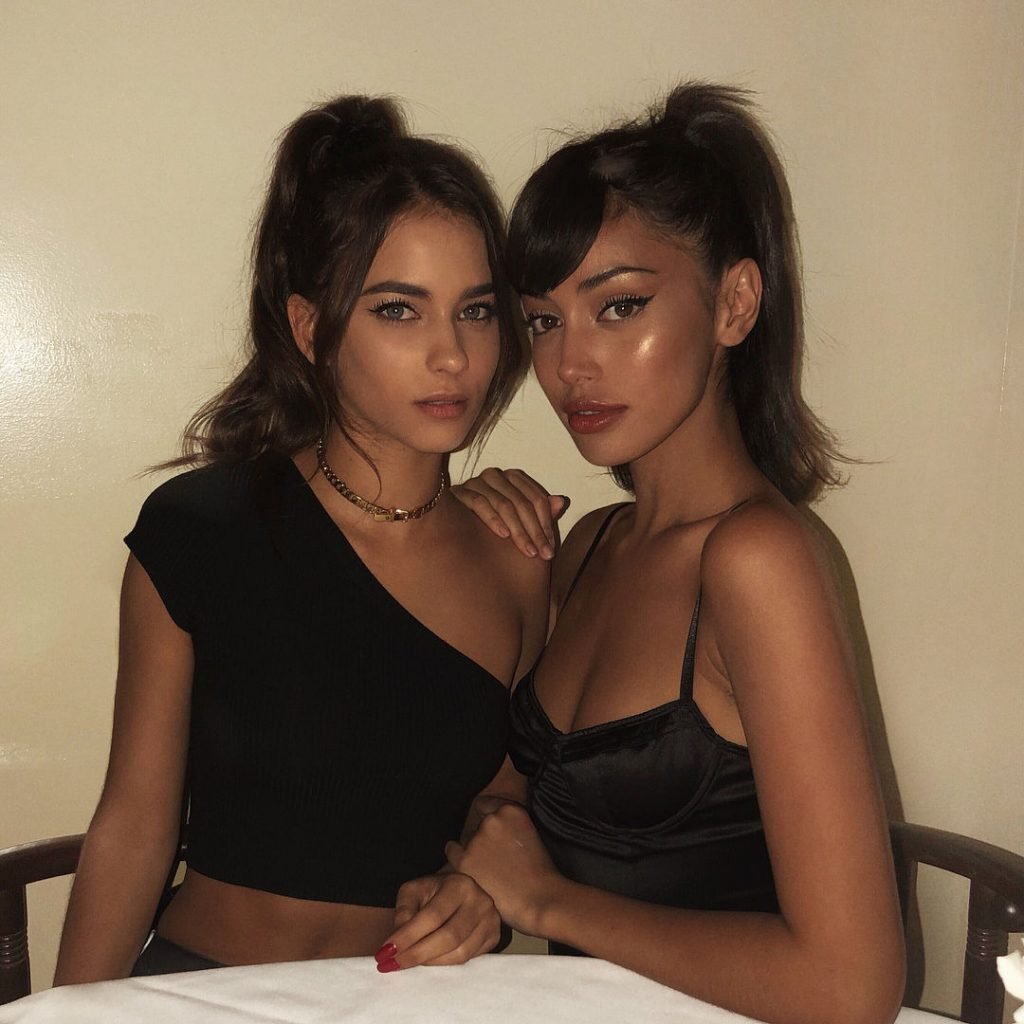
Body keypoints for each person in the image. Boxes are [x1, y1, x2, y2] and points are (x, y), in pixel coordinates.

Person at [53, 94, 549, 983]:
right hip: (205, 991)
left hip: (405, 1000)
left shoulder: (518, 557)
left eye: (475, 311)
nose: (451, 356)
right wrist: (75, 1011)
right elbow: (134, 826)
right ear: (311, 327)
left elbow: (502, 791)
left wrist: (477, 879)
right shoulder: (201, 529)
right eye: (399, 310)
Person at [446, 83, 906, 1024]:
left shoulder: (758, 560)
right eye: (544, 320)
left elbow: (853, 988)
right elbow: (516, 796)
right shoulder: (587, 545)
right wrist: (473, 875)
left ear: (735, 303)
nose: (570, 365)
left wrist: (547, 903)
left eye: (619, 307)